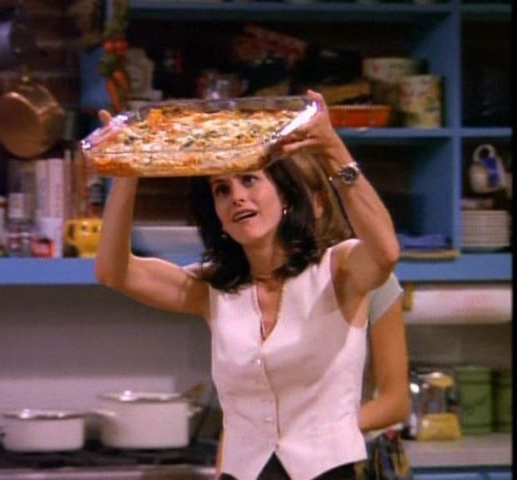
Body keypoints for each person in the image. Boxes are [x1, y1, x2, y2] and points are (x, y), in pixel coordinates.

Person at [95, 90, 400, 480]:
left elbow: (385, 252)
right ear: (218, 217)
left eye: (249, 180)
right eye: (222, 190)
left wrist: (333, 150)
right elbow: (113, 271)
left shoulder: (336, 270)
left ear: (285, 196)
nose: (237, 197)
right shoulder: (215, 289)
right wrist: (127, 172)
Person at [294, 156, 410, 433]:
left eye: (293, 197)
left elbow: (395, 402)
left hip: (354, 448)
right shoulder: (252, 285)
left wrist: (322, 434)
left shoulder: (365, 278)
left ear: (319, 203)